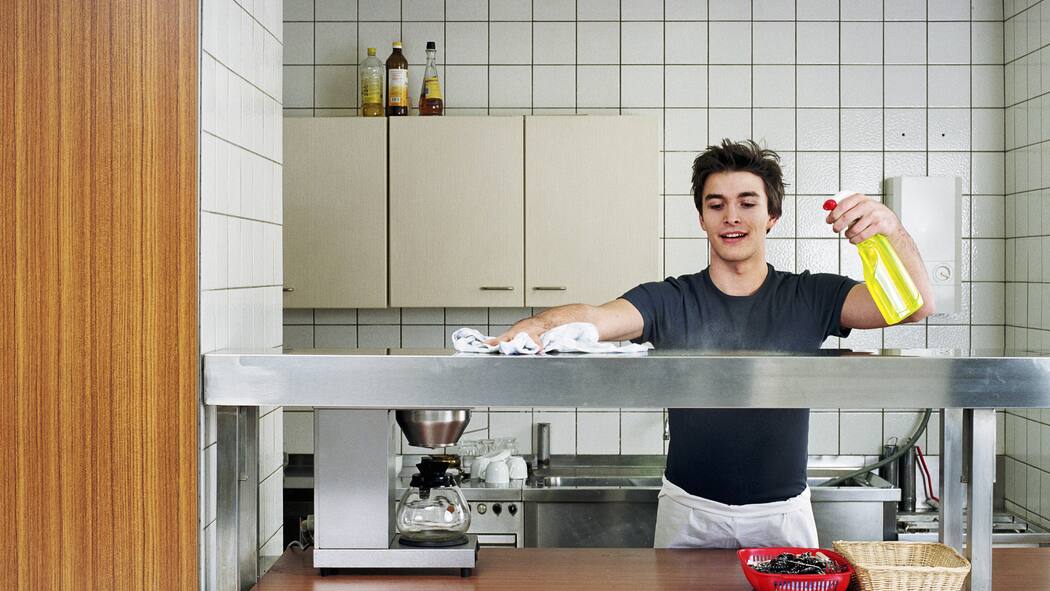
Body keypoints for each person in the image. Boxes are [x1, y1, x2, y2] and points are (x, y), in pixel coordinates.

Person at [489, 139, 935, 548]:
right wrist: (538, 323)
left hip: (782, 515)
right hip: (689, 513)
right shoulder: (669, 299)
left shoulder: (811, 296)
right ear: (702, 219)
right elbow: (596, 317)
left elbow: (915, 306)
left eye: (748, 203)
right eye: (716, 205)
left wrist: (891, 230)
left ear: (772, 216)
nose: (731, 217)